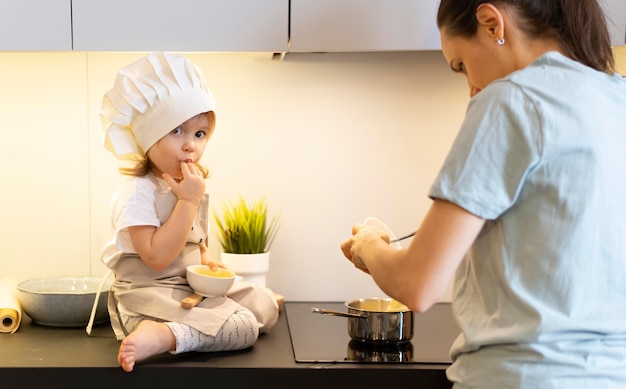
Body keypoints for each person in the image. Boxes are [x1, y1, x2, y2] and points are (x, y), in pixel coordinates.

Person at [340, 0, 626, 387]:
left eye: (460, 65)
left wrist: (369, 246)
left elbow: (416, 285)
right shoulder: (616, 99)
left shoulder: (509, 100)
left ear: (492, 23)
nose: (471, 89)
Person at [99, 52, 279, 373]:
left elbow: (197, 242)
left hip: (187, 284)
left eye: (199, 134)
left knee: (264, 303)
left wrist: (209, 262)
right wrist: (187, 202)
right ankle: (162, 335)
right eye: (177, 131)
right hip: (150, 289)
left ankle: (188, 328)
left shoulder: (189, 182)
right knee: (244, 327)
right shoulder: (139, 191)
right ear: (149, 136)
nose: (190, 146)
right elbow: (156, 257)